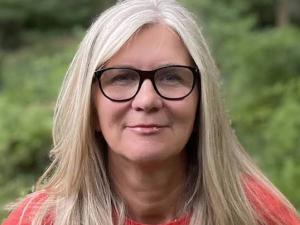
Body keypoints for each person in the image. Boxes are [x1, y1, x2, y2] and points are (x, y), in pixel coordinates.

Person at [2, 0, 299, 225]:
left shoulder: (259, 215)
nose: (147, 100)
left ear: (202, 102)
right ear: (90, 107)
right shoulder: (39, 220)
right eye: (121, 78)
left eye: (171, 77)